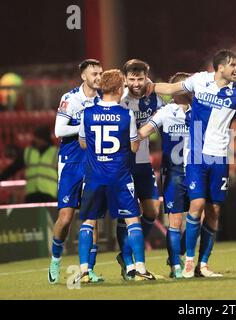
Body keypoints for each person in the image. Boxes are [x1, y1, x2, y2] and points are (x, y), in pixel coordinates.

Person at [148, 49, 236, 278]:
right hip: (196, 156)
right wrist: (148, 86)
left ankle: (203, 264)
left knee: (214, 210)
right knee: (196, 204)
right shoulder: (200, 80)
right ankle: (188, 261)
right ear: (219, 67)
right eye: (233, 65)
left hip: (219, 157)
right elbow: (171, 89)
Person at [75, 69, 155, 283]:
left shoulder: (87, 113)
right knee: (132, 220)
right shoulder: (125, 114)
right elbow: (135, 146)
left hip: (94, 177)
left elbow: (82, 143)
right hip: (119, 176)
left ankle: (83, 271)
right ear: (120, 88)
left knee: (88, 223)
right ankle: (139, 268)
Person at [48, 59, 104, 284]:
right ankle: (55, 258)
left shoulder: (104, 100)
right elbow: (59, 130)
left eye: (100, 73)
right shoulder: (70, 99)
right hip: (71, 163)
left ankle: (88, 270)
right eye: (94, 74)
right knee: (66, 217)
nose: (98, 77)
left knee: (92, 216)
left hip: (94, 163)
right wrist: (85, 127)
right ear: (83, 76)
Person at [139, 72, 192, 279]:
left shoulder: (199, 110)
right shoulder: (165, 111)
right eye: (184, 86)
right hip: (174, 171)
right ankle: (175, 266)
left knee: (201, 216)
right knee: (176, 220)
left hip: (196, 170)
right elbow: (144, 131)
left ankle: (177, 254)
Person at [115, 59, 162, 280]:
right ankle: (127, 261)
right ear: (125, 79)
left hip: (143, 161)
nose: (136, 83)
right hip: (122, 162)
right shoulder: (118, 99)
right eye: (131, 79)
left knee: (152, 211)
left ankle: (129, 250)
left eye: (140, 78)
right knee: (127, 215)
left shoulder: (155, 96)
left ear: (146, 76)